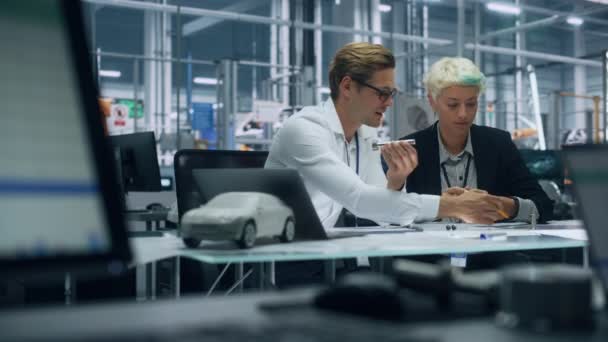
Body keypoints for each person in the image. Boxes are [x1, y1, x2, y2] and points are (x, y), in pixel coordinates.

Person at [265, 43, 505, 228]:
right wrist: (450, 206)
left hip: (323, 254)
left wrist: (396, 180)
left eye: (392, 93)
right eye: (382, 93)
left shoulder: (364, 133)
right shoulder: (304, 130)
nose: (390, 102)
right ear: (347, 87)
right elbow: (359, 199)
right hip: (281, 258)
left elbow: (380, 213)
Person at [396, 57, 553, 223]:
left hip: (489, 247)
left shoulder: (498, 144)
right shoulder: (411, 149)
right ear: (432, 102)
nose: (463, 114)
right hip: (431, 249)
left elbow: (544, 207)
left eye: (471, 104)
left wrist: (503, 205)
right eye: (453, 105)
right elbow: (393, 216)